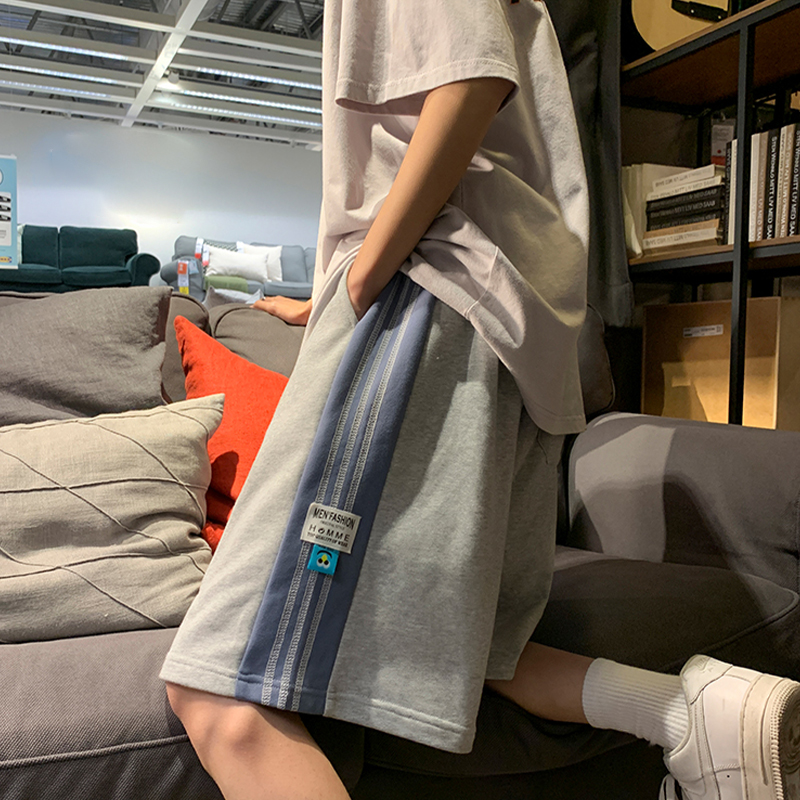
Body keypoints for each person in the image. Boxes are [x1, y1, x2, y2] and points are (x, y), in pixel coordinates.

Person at [161, 1, 800, 798]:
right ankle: (684, 713)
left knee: (221, 695)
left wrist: (362, 279)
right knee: (466, 643)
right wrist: (330, 293)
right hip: (493, 315)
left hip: (425, 298)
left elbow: (469, 81)